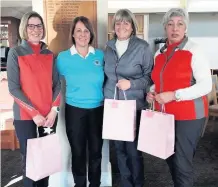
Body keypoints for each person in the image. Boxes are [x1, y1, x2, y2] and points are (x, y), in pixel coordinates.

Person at [147, 8, 212, 187]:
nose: (175, 28)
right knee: (169, 156)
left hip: (190, 116)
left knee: (182, 163)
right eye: (170, 24)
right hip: (165, 115)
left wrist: (175, 95)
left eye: (180, 24)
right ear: (165, 28)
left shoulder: (194, 50)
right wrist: (152, 91)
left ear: (186, 28)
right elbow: (158, 80)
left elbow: (206, 85)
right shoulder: (159, 53)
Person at [7, 11, 61, 187]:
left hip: (49, 117)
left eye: (39, 25)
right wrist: (34, 113)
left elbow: (57, 85)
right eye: (31, 25)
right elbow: (14, 89)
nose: (35, 29)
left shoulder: (49, 54)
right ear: (25, 28)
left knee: (45, 162)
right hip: (25, 118)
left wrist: (54, 110)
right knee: (31, 164)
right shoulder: (15, 53)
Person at [104, 9, 153, 187]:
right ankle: (126, 183)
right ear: (114, 26)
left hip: (133, 107)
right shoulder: (108, 47)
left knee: (132, 150)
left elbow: (149, 77)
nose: (121, 26)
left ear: (132, 26)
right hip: (113, 106)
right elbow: (106, 76)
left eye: (126, 22)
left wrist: (130, 84)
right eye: (118, 22)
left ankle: (138, 183)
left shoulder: (142, 47)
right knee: (118, 149)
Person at [56, 16, 104, 187]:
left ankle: (95, 184)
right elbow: (53, 84)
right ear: (73, 35)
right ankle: (80, 184)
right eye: (79, 31)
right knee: (77, 152)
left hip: (98, 111)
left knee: (96, 152)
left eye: (86, 30)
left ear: (90, 34)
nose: (83, 34)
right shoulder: (63, 58)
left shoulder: (100, 55)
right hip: (74, 111)